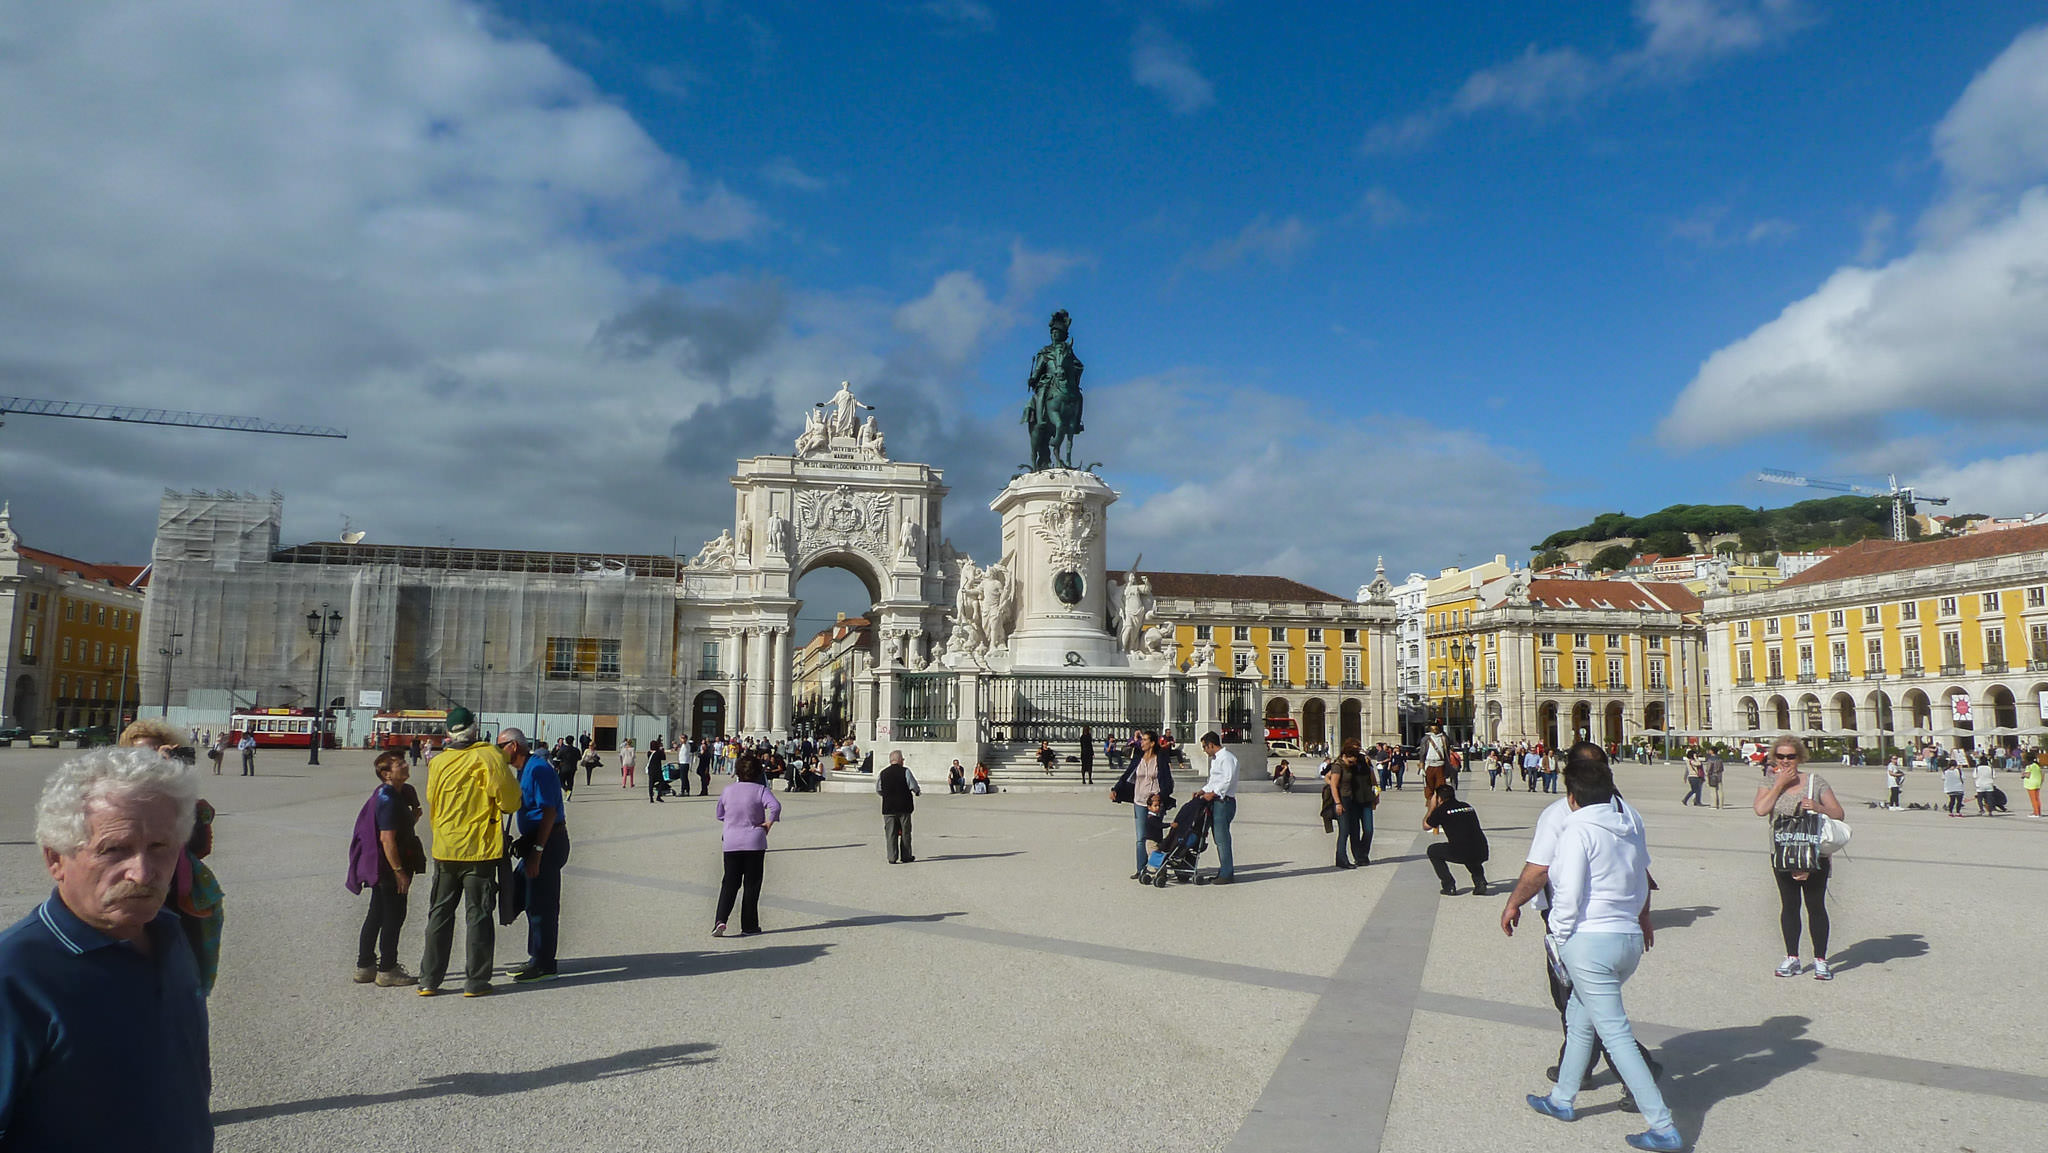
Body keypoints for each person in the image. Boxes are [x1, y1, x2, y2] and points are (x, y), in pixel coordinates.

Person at [0, 747, 212, 1151]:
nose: (143, 872)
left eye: (160, 847)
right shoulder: (15, 977)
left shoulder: (170, 936)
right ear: (55, 859)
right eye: (114, 849)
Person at [1524, 752, 1680, 1152]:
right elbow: (1644, 881)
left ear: (1572, 795)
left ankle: (1662, 1126)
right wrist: (1636, 918)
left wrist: (1557, 937)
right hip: (1626, 940)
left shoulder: (1576, 829)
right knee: (1580, 1019)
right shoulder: (1628, 824)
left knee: (1615, 1035)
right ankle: (1562, 1099)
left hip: (1589, 942)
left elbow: (1569, 894)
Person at [1500, 744, 1663, 1111]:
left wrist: (1515, 904)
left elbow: (1541, 870)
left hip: (1577, 928)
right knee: (1578, 1005)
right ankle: (1574, 1078)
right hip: (1622, 924)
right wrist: (1644, 914)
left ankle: (1644, 1087)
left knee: (1586, 1004)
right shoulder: (1628, 814)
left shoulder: (1562, 814)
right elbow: (1641, 872)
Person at [416, 706, 521, 997]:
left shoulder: (438, 763)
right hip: (479, 850)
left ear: (448, 733)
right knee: (478, 915)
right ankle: (475, 981)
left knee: (439, 914)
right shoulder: (488, 756)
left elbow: (431, 800)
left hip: (446, 848)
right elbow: (511, 802)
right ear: (475, 729)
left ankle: (429, 979)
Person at [1754, 736, 1844, 980]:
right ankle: (1792, 957)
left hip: (1813, 854)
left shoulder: (1815, 781)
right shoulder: (1769, 781)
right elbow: (1761, 810)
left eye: (1790, 756)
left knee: (1815, 906)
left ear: (1800, 757)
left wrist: (1817, 806)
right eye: (1780, 756)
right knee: (1789, 905)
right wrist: (1779, 783)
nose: (1785, 761)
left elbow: (1838, 813)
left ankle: (1821, 960)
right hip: (1782, 853)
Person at [347, 750, 423, 986]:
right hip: (389, 866)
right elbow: (387, 839)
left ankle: (365, 966)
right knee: (394, 916)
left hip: (379, 865)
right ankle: (388, 969)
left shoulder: (393, 794)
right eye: (399, 764)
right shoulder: (388, 798)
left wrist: (412, 818)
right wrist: (399, 872)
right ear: (386, 773)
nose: (405, 765)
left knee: (376, 913)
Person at [504, 728, 569, 982]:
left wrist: (537, 852)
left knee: (541, 904)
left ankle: (543, 962)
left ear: (514, 746)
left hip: (549, 841)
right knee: (521, 897)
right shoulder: (523, 770)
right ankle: (537, 956)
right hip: (535, 840)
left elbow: (549, 811)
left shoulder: (538, 769)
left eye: (501, 746)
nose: (498, 751)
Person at [713, 755, 781, 936]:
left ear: (737, 771)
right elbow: (775, 806)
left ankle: (720, 920)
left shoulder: (728, 790)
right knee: (751, 885)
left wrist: (731, 819)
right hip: (754, 842)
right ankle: (749, 926)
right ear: (759, 772)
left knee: (729, 883)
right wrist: (768, 823)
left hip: (731, 842)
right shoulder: (761, 790)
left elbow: (720, 814)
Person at [1112, 729, 1174, 880]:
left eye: (1145, 740)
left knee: (1154, 837)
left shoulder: (1160, 758)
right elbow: (1127, 774)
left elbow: (1167, 781)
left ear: (1152, 743)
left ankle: (1159, 867)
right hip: (1139, 801)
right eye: (1142, 740)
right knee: (1141, 837)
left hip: (1155, 803)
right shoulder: (1138, 756)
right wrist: (1116, 789)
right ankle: (1141, 869)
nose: (1142, 742)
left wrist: (1161, 796)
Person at [1424, 783, 1491, 895]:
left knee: (1433, 850)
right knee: (1469, 849)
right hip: (1481, 849)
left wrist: (1431, 807)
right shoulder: (1467, 806)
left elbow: (1426, 826)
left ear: (1439, 798)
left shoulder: (1442, 810)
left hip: (1461, 851)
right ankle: (1480, 882)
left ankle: (1448, 885)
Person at [1195, 732, 1238, 884]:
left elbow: (1227, 780)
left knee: (1222, 838)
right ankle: (1224, 869)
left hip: (1223, 801)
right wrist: (1203, 790)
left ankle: (1227, 873)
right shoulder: (1217, 759)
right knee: (1218, 838)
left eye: (1205, 747)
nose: (1205, 751)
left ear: (1211, 744)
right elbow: (1214, 780)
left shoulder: (1227, 758)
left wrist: (1212, 793)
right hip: (1216, 800)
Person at [1328, 746, 1377, 869]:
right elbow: (1329, 778)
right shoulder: (1342, 765)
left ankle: (1361, 854)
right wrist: (1337, 794)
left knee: (1368, 829)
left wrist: (1376, 794)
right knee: (1350, 831)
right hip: (1351, 801)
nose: (1355, 761)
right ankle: (1353, 857)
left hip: (1365, 799)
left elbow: (1373, 780)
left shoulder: (1365, 762)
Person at [878, 751, 921, 864]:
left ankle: (892, 857)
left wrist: (887, 796)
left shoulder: (883, 773)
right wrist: (917, 792)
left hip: (888, 808)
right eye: (903, 759)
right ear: (900, 760)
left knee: (890, 833)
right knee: (905, 833)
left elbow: (879, 789)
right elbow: (913, 785)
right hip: (904, 807)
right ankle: (906, 856)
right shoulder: (905, 771)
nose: (903, 761)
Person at [647, 735, 668, 803]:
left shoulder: (649, 753)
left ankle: (651, 798)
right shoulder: (659, 752)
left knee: (651, 784)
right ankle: (658, 796)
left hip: (651, 770)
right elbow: (664, 758)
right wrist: (662, 750)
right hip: (657, 770)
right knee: (661, 782)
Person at [2025, 753, 2043, 818]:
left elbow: (2028, 775)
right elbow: (2042, 774)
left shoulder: (2029, 766)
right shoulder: (2037, 765)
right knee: (2037, 799)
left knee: (2033, 799)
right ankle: (2039, 811)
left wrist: (2023, 775)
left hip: (2031, 784)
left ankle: (2036, 813)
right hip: (2037, 783)